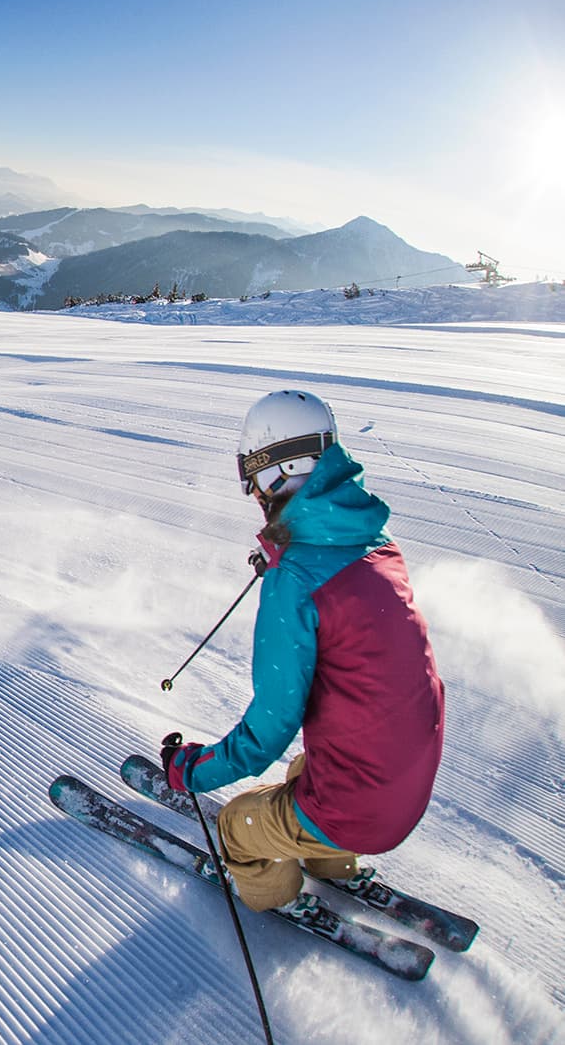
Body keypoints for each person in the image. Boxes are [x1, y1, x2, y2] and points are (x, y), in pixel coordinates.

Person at [160, 389, 445, 915]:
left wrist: (191, 771)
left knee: (237, 824)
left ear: (276, 471)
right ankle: (332, 862)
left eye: (252, 478)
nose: (253, 493)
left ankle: (276, 897)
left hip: (362, 812)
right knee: (303, 770)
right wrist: (287, 552)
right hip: (406, 786)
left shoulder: (294, 581)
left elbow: (268, 730)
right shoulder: (375, 541)